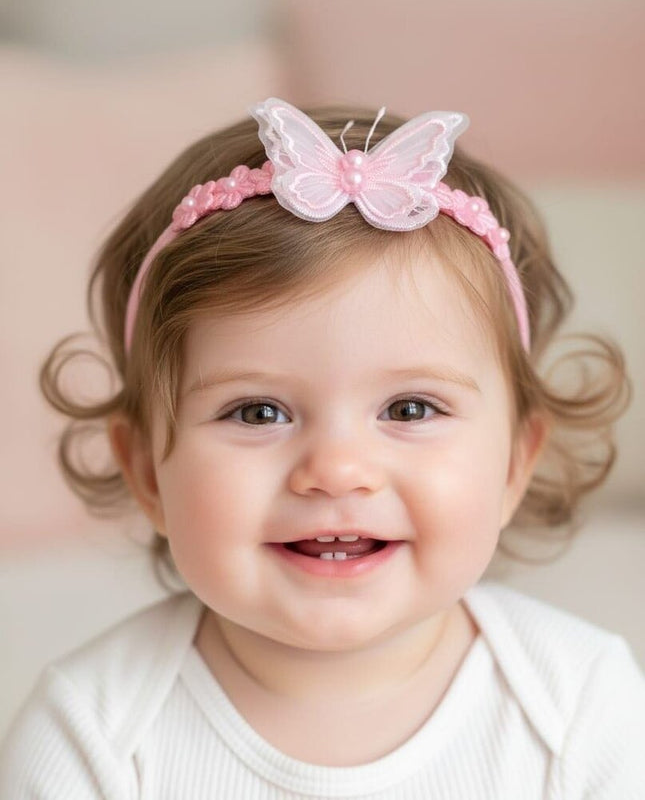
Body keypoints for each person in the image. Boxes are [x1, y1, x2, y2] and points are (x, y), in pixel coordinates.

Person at [1, 97, 643, 798]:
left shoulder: (583, 709)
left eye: (409, 408)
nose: (336, 470)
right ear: (147, 472)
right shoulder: (90, 735)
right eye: (258, 412)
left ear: (516, 461)